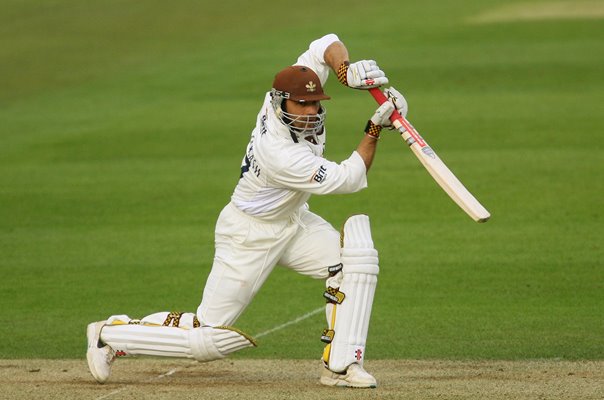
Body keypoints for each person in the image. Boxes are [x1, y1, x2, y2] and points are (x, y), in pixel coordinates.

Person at [86, 33, 408, 388]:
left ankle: (341, 366)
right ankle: (110, 334)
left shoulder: (281, 100)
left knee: (354, 261)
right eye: (303, 105)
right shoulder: (280, 154)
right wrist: (376, 128)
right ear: (282, 104)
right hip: (248, 233)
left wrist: (345, 71)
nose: (311, 112)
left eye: (315, 103)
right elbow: (348, 178)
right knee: (206, 338)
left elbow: (325, 43)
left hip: (293, 222)